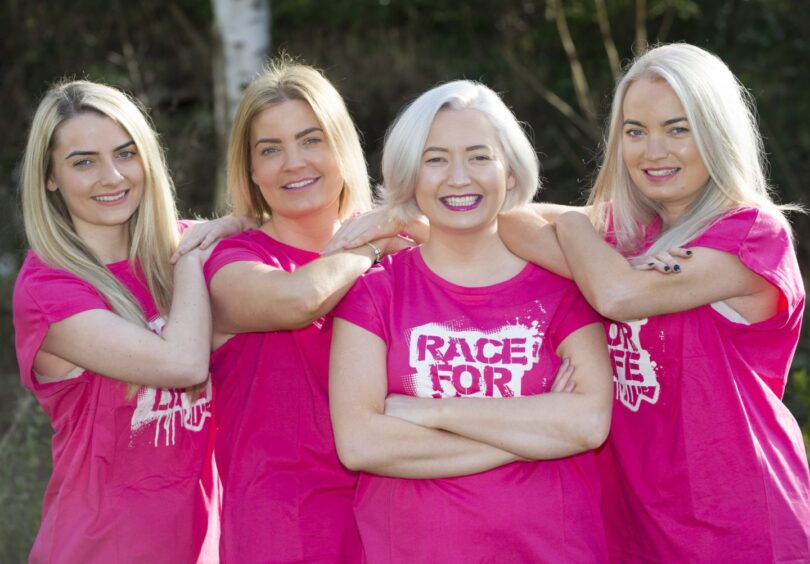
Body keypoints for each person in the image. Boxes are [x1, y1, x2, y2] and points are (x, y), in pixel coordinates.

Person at [495, 43, 810, 562]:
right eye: (635, 131)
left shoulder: (753, 233)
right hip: (636, 526)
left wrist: (581, 233)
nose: (652, 150)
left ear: (716, 131)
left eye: (677, 128)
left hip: (741, 527)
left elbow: (617, 294)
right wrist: (585, 230)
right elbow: (512, 221)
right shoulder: (628, 230)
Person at [329, 80, 613, 563]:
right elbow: (360, 443)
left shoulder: (563, 287)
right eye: (435, 159)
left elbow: (587, 423)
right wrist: (533, 433)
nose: (459, 177)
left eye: (479, 156)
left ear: (509, 169)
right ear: (410, 174)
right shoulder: (376, 290)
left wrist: (435, 412)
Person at [13, 80, 246, 562]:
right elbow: (183, 365)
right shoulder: (48, 289)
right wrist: (191, 254)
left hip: (205, 546)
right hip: (99, 549)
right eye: (84, 162)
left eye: (126, 153)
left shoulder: (183, 250)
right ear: (50, 177)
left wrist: (231, 228)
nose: (113, 176)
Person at [203, 59, 403, 562]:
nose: (294, 162)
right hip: (285, 534)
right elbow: (298, 299)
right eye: (271, 149)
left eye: (311, 140)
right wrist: (369, 247)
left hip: (397, 522)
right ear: (250, 169)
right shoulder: (232, 263)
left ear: (341, 147)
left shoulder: (402, 248)